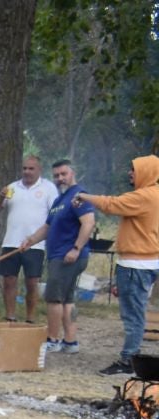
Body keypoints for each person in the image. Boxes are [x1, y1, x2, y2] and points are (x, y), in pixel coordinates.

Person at [83, 155, 159, 377]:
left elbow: (111, 205)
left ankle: (129, 360)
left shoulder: (144, 196)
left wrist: (84, 196)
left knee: (133, 315)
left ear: (146, 172)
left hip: (136, 264)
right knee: (136, 312)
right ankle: (131, 356)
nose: (130, 173)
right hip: (147, 262)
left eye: (134, 169)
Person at [26, 160, 94, 354]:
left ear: (73, 173)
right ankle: (70, 342)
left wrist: (76, 248)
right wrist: (30, 240)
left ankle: (53, 340)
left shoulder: (79, 196)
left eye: (64, 174)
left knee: (54, 299)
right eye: (56, 175)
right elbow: (48, 227)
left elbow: (88, 223)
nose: (60, 178)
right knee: (67, 299)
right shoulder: (59, 201)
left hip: (67, 256)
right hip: (59, 255)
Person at [0, 155, 55, 324]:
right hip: (11, 242)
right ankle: (10, 317)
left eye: (31, 169)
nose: (27, 172)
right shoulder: (12, 187)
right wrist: (1, 197)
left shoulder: (48, 188)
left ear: (39, 170)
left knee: (32, 282)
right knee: (9, 280)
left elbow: (54, 215)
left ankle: (30, 318)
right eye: (24, 168)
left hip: (35, 243)